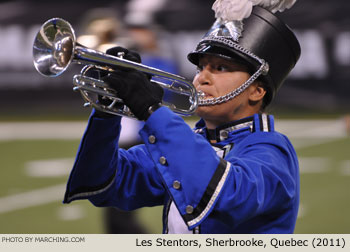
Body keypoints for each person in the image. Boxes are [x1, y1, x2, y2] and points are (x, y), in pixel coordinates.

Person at [63, 2, 301, 234]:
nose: (202, 79)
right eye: (201, 67)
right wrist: (107, 112)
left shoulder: (272, 151)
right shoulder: (192, 143)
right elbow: (102, 183)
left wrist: (151, 111)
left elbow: (227, 196)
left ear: (257, 91)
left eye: (220, 68)